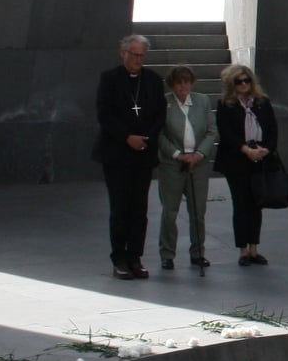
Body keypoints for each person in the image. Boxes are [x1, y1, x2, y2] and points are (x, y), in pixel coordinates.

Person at [91, 34, 166, 280]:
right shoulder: (110, 79)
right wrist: (127, 137)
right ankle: (119, 258)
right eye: (134, 54)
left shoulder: (153, 80)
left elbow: (159, 114)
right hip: (117, 154)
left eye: (142, 55)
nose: (138, 59)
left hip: (143, 153)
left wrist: (145, 138)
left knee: (139, 209)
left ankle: (135, 257)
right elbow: (104, 114)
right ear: (123, 53)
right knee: (120, 207)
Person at [214, 63, 278, 266]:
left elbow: (273, 129)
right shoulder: (226, 105)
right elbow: (226, 134)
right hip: (236, 160)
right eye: (239, 81)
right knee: (241, 204)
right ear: (232, 84)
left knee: (256, 204)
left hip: (259, 158)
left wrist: (265, 149)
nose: (243, 84)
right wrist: (245, 150)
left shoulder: (262, 102)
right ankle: (242, 250)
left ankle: (254, 248)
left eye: (246, 80)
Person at [155, 64, 216, 271]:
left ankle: (198, 252)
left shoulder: (202, 101)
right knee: (170, 212)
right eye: (179, 82)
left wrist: (199, 154)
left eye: (186, 82)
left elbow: (211, 131)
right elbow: (159, 133)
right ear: (172, 84)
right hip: (172, 164)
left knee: (198, 211)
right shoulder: (164, 102)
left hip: (198, 164)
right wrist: (177, 154)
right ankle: (167, 254)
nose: (183, 86)